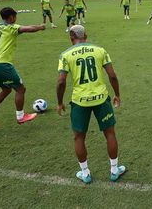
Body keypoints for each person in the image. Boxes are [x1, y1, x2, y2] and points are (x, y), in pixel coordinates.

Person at [56, 25, 126, 184]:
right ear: (85, 35)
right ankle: (114, 170)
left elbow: (61, 82)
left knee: (79, 137)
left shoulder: (65, 55)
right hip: (101, 98)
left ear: (71, 36)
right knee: (110, 133)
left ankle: (85, 173)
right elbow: (112, 76)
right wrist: (117, 94)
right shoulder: (100, 50)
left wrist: (60, 102)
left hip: (79, 101)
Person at [0, 7, 45, 128]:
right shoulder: (11, 28)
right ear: (11, 17)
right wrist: (41, 27)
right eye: (15, 17)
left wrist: (0, 45)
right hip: (3, 64)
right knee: (20, 89)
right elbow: (28, 28)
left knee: (6, 90)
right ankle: (20, 116)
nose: (15, 19)